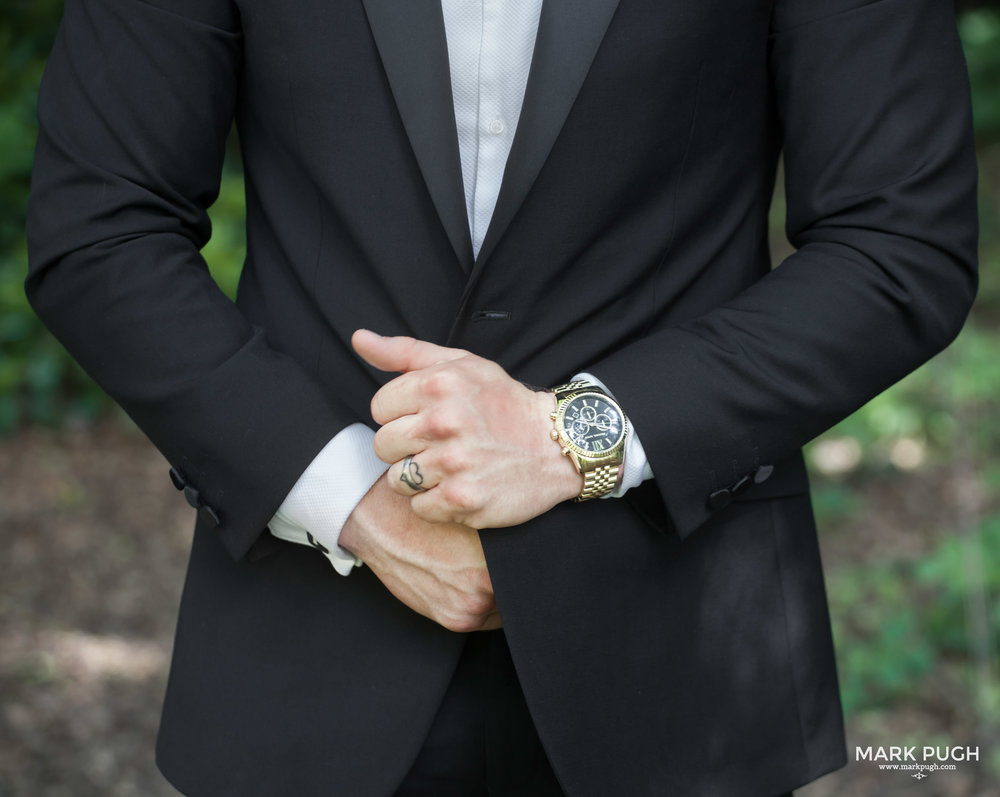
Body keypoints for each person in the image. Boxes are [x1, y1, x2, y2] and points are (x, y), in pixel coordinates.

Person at [25, 0, 978, 794]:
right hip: (308, 654)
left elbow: (899, 240)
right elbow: (101, 228)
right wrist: (355, 505)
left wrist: (569, 437)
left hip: (677, 660)